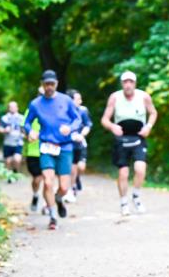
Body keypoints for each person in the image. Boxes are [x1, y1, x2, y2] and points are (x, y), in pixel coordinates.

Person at [23, 71, 83, 230]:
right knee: (48, 182)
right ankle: (52, 216)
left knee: (64, 187)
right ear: (42, 84)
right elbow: (27, 123)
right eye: (46, 84)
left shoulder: (66, 100)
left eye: (52, 84)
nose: (49, 87)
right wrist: (31, 132)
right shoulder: (36, 104)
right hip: (46, 147)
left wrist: (69, 128)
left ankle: (58, 199)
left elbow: (77, 119)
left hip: (65, 147)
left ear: (56, 84)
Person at [100, 70, 157, 216]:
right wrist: (113, 126)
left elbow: (153, 113)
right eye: (125, 82)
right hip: (122, 138)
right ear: (122, 84)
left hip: (138, 137)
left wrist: (148, 127)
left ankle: (136, 197)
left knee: (140, 169)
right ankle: (123, 202)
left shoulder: (144, 96)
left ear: (135, 83)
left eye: (131, 81)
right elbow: (104, 119)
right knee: (123, 173)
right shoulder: (115, 98)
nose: (128, 85)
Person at [62, 90, 92, 203]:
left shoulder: (83, 111)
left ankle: (77, 178)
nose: (81, 101)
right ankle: (72, 188)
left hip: (80, 143)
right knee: (72, 167)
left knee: (81, 167)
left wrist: (81, 135)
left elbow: (88, 125)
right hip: (68, 144)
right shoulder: (63, 112)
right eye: (78, 99)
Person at [0, 101, 25, 181]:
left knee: (17, 159)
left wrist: (24, 133)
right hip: (8, 142)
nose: (13, 108)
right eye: (11, 107)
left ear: (17, 108)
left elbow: (25, 129)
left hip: (18, 142)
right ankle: (9, 176)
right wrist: (4, 130)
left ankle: (15, 172)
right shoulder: (4, 118)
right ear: (8, 108)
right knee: (8, 161)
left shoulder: (22, 118)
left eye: (14, 107)